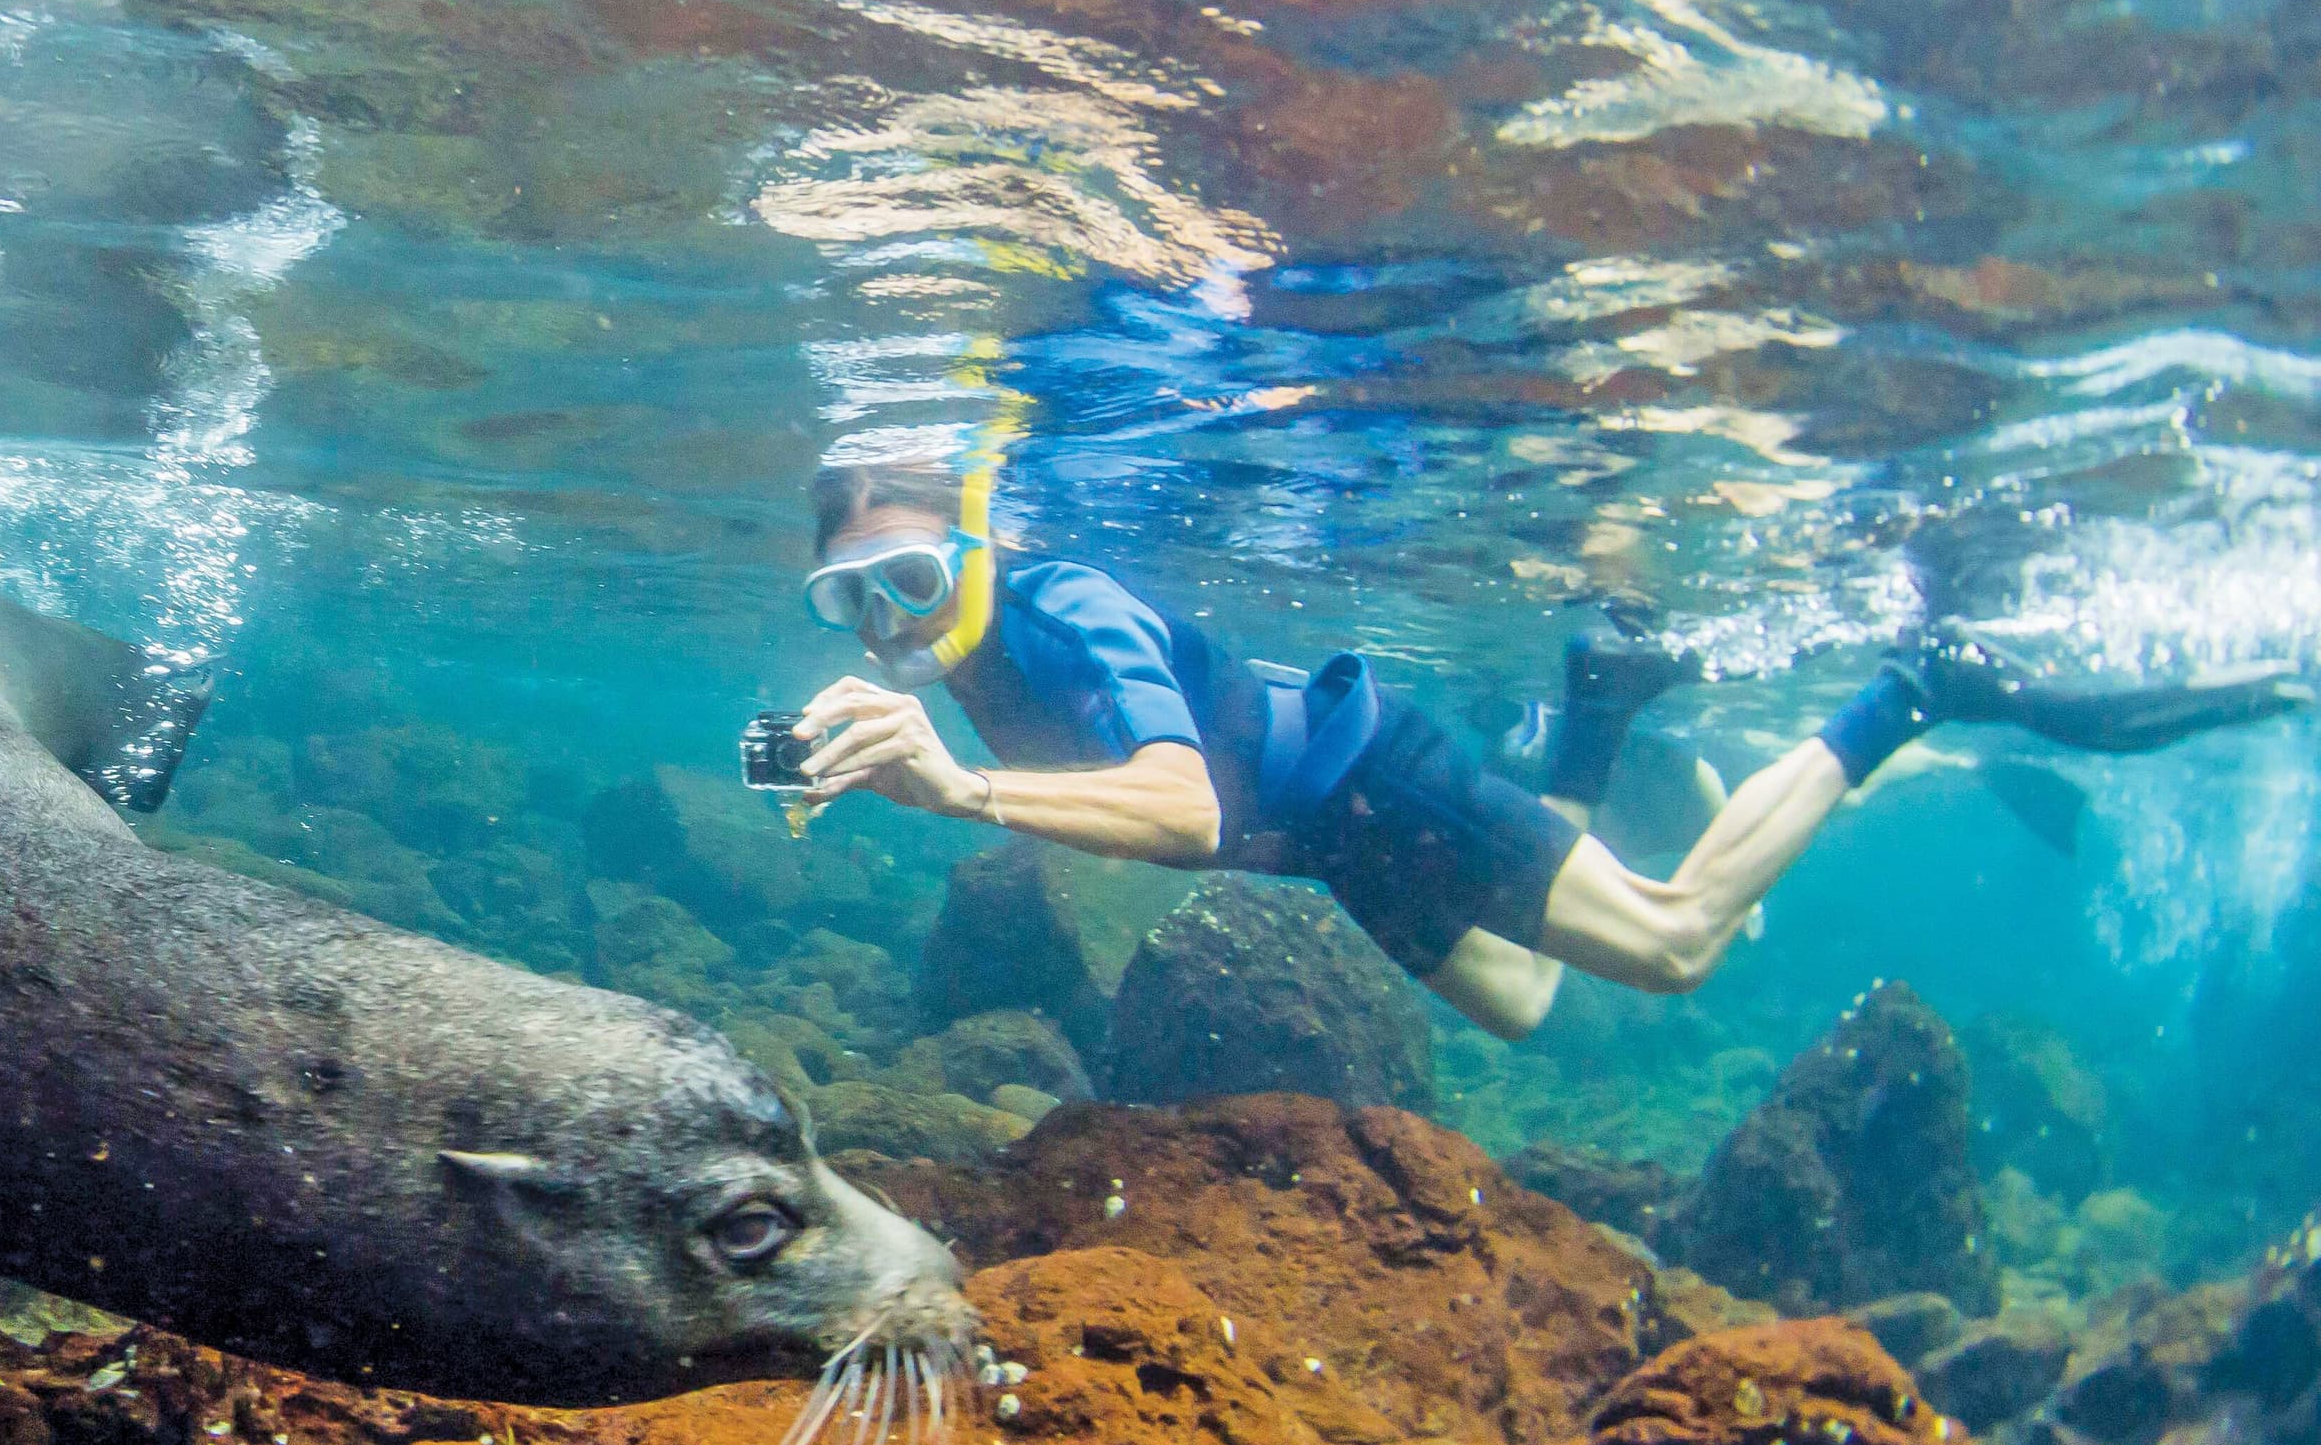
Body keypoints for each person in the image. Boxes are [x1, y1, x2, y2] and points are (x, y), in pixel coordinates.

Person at [788, 459, 2311, 1041]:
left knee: (1672, 944)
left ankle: (1916, 687)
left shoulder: (1064, 610)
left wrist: (963, 788)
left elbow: (1182, 813)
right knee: (1519, 1002)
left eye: (911, 584)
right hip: (1334, 842)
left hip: (1375, 774)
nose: (885, 627)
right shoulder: (969, 662)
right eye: (848, 601)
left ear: (978, 556)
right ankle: (1596, 705)